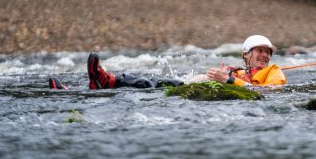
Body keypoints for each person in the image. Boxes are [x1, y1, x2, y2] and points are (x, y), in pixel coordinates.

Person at [49, 35, 287, 89]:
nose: (265, 56)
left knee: (152, 84)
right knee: (156, 81)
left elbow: (268, 94)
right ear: (246, 54)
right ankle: (79, 89)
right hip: (201, 92)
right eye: (260, 51)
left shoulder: (275, 72)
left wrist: (230, 80)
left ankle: (106, 80)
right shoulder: (237, 70)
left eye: (268, 52)